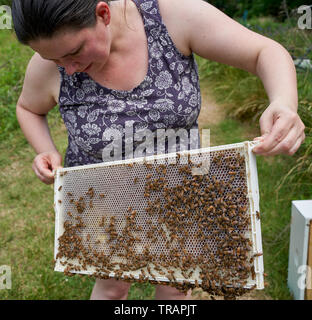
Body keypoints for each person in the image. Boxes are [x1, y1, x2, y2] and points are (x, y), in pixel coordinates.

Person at [11, 0, 305, 300]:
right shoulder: (50, 65)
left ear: (103, 14)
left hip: (179, 193)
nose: (69, 69)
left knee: (175, 287)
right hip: (104, 198)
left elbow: (264, 52)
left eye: (74, 52)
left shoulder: (175, 16)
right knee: (111, 288)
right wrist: (45, 149)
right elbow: (28, 108)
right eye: (56, 59)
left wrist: (282, 102)